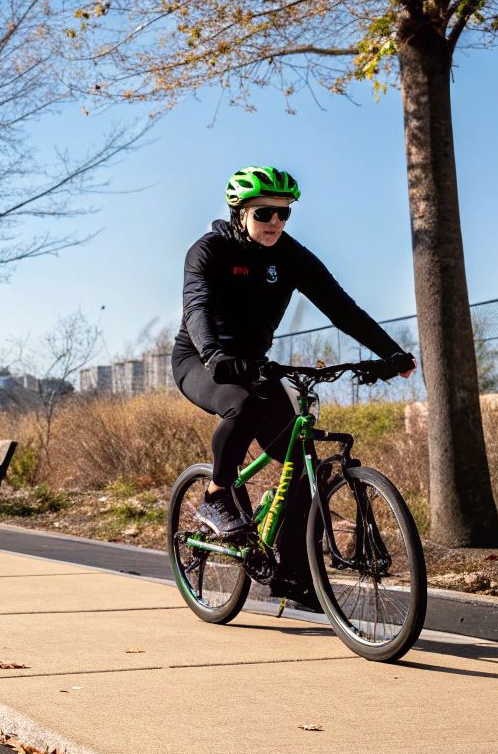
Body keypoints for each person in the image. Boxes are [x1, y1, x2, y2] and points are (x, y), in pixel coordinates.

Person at [173, 166, 415, 540]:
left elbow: (342, 309)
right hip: (201, 360)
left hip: (254, 364)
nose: (275, 221)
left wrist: (392, 354)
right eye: (263, 213)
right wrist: (213, 353)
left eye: (283, 212)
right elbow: (196, 308)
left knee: (303, 468)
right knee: (243, 403)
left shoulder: (290, 256)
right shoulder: (210, 251)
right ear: (240, 212)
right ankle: (217, 495)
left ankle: (295, 578)